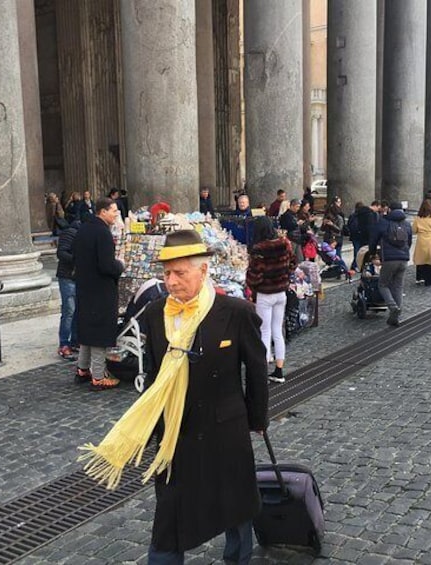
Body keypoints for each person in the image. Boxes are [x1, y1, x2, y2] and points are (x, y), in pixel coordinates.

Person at [81, 228, 268, 564]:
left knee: (236, 502)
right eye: (167, 273)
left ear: (203, 270)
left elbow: (255, 372)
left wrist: (257, 419)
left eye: (180, 273)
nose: (171, 281)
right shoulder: (154, 314)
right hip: (175, 433)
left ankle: (238, 557)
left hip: (225, 428)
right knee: (170, 513)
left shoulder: (236, 312)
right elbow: (154, 376)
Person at [73, 197, 125, 390]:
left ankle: (82, 369)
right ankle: (98, 376)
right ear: (102, 212)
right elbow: (106, 265)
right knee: (98, 332)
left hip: (85, 288)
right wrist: (120, 265)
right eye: (114, 211)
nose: (116, 214)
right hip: (100, 290)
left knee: (87, 330)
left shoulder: (84, 229)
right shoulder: (102, 233)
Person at [246, 217, 296, 384]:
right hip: (281, 292)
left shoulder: (259, 249)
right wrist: (284, 276)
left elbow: (255, 276)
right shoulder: (285, 244)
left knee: (264, 331)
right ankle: (279, 370)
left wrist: (253, 285)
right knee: (277, 331)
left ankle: (263, 371)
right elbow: (293, 263)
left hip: (265, 294)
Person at [369, 202, 412, 326]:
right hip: (404, 259)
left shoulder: (384, 222)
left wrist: (372, 253)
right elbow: (408, 241)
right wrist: (404, 253)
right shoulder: (407, 223)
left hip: (389, 259)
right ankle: (396, 316)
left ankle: (393, 307)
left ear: (389, 209)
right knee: (398, 286)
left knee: (383, 284)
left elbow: (373, 238)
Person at [56, 220, 80, 360]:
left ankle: (75, 341)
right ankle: (64, 344)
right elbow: (61, 253)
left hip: (77, 277)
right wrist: (78, 259)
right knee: (69, 311)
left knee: (77, 310)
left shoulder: (82, 233)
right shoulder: (70, 233)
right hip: (68, 277)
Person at [412, 199, 431, 286]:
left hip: (421, 239)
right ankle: (429, 279)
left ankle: (419, 277)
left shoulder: (418, 218)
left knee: (421, 259)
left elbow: (414, 229)